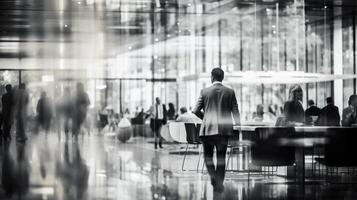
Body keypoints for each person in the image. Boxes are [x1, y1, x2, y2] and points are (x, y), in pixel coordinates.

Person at [192, 68, 240, 193]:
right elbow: (235, 112)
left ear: (212, 77)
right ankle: (219, 183)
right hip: (224, 132)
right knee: (221, 158)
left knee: (208, 157)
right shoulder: (230, 92)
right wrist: (237, 126)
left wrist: (206, 119)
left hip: (208, 131)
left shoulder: (205, 91)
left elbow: (195, 110)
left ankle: (213, 177)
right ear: (222, 78)